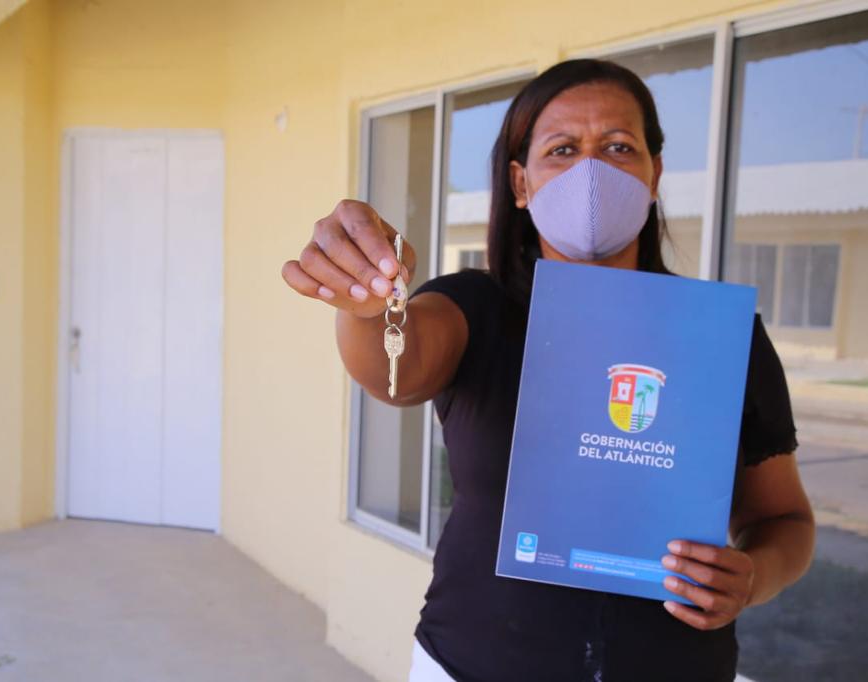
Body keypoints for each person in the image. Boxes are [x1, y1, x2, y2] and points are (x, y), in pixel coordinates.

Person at [281, 58, 815, 682]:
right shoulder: (476, 307)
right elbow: (395, 371)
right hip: (473, 664)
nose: (591, 170)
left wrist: (753, 577)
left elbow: (785, 521)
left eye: (619, 147)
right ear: (520, 182)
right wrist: (369, 303)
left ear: (655, 173)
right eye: (562, 149)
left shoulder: (719, 335)